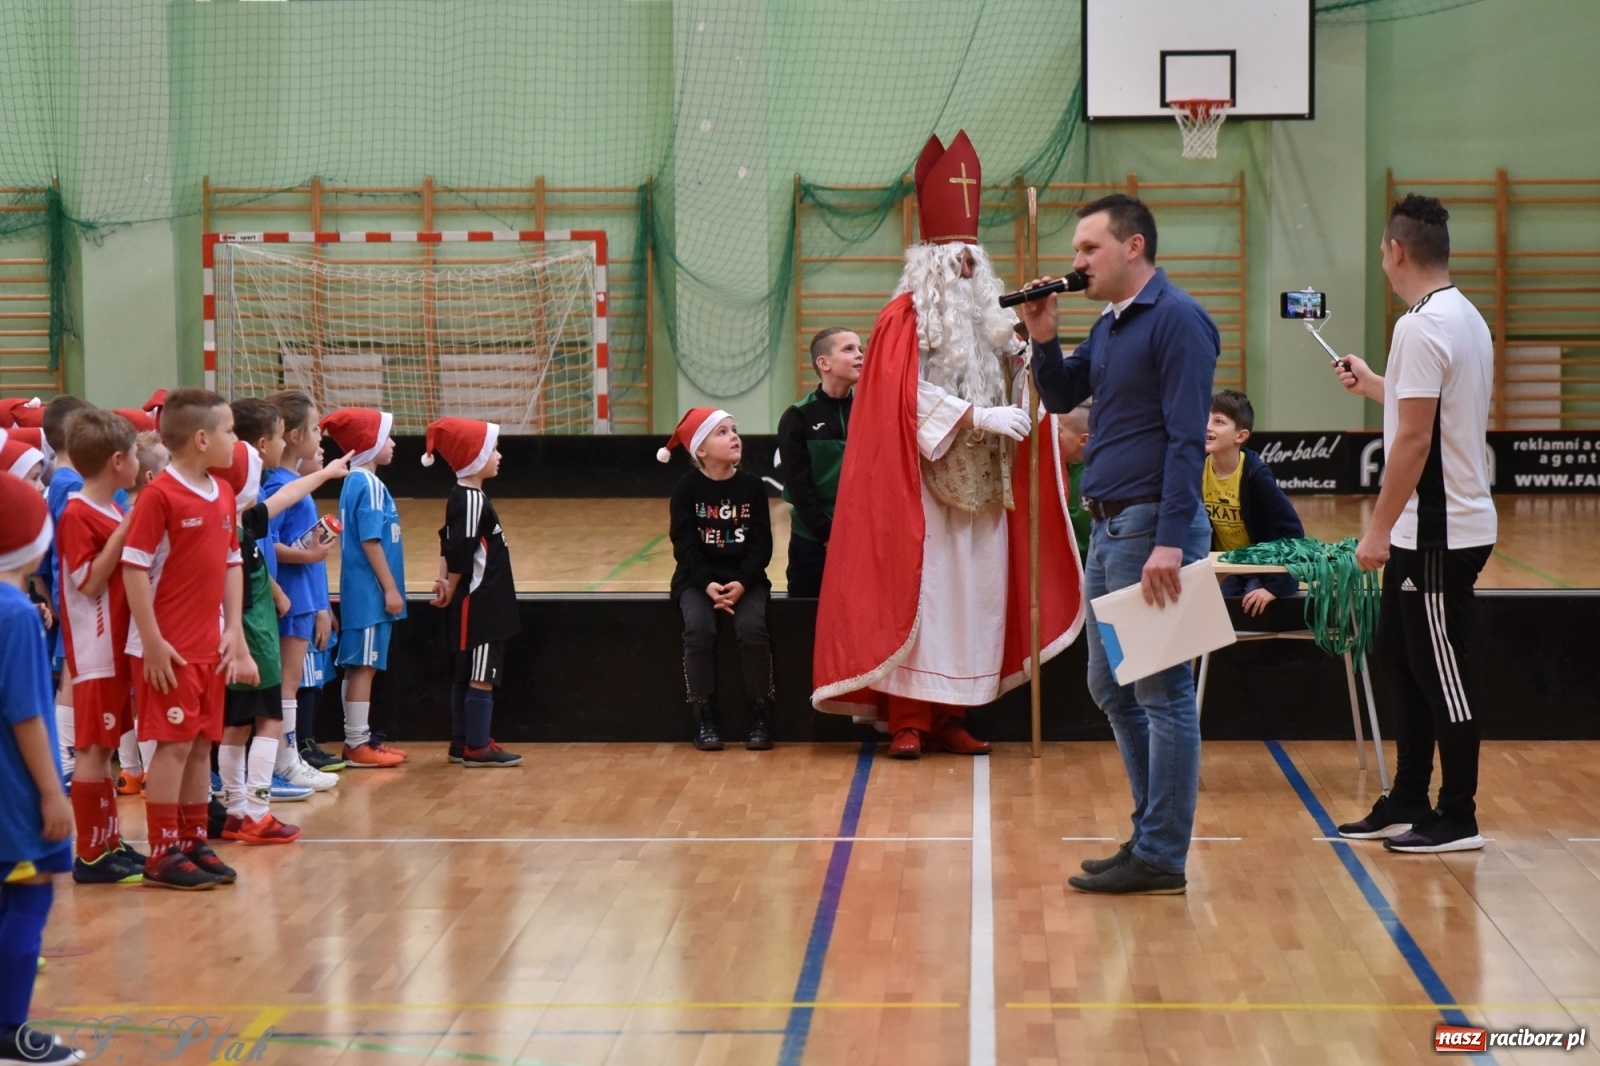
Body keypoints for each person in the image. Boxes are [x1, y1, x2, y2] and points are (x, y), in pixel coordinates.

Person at [811, 131, 1083, 760]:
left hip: (986, 485)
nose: (967, 269)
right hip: (923, 484)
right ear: (931, 265)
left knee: (975, 597)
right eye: (957, 260)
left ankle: (954, 711)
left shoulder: (993, 320)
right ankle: (907, 718)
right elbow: (894, 396)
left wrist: (1023, 364)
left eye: (973, 259)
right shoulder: (902, 317)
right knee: (925, 597)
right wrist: (977, 417)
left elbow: (1030, 384)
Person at [1022, 193, 1219, 895]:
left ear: (1132, 247)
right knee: (1111, 683)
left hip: (1151, 531)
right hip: (1111, 527)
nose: (1075, 263)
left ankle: (1162, 855)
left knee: (1162, 690)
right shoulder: (1109, 326)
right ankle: (1148, 836)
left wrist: (1171, 541)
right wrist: (1043, 335)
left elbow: (1187, 437)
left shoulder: (1178, 320)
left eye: (1087, 250)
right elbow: (1058, 394)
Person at [1333, 195, 1495, 854]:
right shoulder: (1459, 315)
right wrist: (1375, 383)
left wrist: (1375, 530)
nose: (1381, 261)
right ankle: (1407, 799)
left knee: (1439, 672)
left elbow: (1414, 441)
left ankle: (1458, 816)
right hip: (1428, 532)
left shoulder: (1420, 326)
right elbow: (1422, 408)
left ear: (1396, 251)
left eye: (1380, 252)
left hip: (1438, 534)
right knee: (1402, 663)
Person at [121, 387, 252, 890]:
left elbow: (232, 564)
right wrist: (152, 642)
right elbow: (134, 570)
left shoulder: (221, 493)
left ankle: (194, 840)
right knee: (173, 748)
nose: (235, 441)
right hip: (167, 649)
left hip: (208, 644)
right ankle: (161, 852)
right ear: (201, 438)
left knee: (201, 746)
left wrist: (234, 629)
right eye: (229, 432)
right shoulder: (160, 496)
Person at [0, 471, 81, 1064]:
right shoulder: (18, 615)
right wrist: (53, 795)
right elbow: (28, 713)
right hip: (14, 790)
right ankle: (8, 1029)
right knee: (29, 896)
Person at [55, 410, 145, 884]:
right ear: (117, 461)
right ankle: (90, 852)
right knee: (93, 747)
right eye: (133, 455)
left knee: (106, 745)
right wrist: (127, 529)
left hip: (116, 645)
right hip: (95, 649)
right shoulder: (76, 512)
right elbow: (87, 582)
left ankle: (109, 838)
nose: (138, 462)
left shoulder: (110, 509)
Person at [660, 408, 775, 752]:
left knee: (752, 628)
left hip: (745, 580)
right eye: (722, 432)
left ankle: (761, 710)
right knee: (698, 629)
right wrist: (707, 583)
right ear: (701, 450)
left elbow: (761, 544)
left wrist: (742, 583)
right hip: (698, 581)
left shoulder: (753, 487)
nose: (734, 436)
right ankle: (703, 712)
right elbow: (684, 543)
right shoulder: (686, 488)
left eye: (734, 429)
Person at [422, 417, 523, 767]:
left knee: (467, 672)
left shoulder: (467, 496)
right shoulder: (470, 499)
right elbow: (461, 550)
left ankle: (462, 741)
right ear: (474, 456)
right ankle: (477, 745)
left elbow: (447, 542)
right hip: (481, 603)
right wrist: (448, 585)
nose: (498, 455)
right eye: (492, 449)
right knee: (481, 673)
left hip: (480, 601)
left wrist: (442, 580)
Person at [321, 407, 409, 769]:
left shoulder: (358, 482)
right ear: (368, 444)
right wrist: (389, 589)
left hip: (365, 593)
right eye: (385, 436)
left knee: (360, 665)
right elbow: (371, 541)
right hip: (370, 594)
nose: (392, 443)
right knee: (363, 667)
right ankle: (356, 742)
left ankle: (358, 738)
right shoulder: (368, 484)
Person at [263, 391, 346, 773]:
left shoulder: (293, 481)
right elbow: (266, 542)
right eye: (315, 428)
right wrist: (308, 556)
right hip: (289, 597)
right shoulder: (278, 485)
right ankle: (284, 764)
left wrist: (321, 604)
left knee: (291, 683)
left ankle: (288, 759)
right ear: (293, 436)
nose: (320, 436)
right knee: (286, 684)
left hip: (303, 597)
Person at [1203, 389, 1304, 616]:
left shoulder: (1256, 476)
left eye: (1218, 421)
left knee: (1253, 606)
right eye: (1205, 418)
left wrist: (1275, 587)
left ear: (1241, 436)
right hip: (1224, 568)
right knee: (1214, 611)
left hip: (1261, 569)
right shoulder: (1195, 469)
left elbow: (1293, 531)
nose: (1207, 426)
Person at [776, 328, 859, 597]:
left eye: (860, 349)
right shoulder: (798, 417)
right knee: (806, 622)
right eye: (848, 349)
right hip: (812, 542)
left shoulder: (870, 412)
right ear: (824, 363)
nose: (860, 355)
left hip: (861, 540)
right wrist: (827, 534)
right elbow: (799, 487)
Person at [38, 394, 95, 785]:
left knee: (76, 674)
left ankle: (69, 755)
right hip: (78, 594)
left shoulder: (65, 480)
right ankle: (65, 757)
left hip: (72, 592)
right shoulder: (70, 483)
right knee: (74, 676)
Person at [114, 429, 171, 797]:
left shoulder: (125, 513)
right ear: (151, 477)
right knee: (150, 704)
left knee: (135, 700)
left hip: (136, 623)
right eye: (168, 465)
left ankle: (132, 770)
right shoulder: (143, 517)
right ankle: (150, 771)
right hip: (147, 625)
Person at [1057, 403, 1092, 559]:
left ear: (1083, 440)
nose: (1053, 436)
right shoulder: (1052, 471)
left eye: (1058, 431)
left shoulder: (1093, 478)